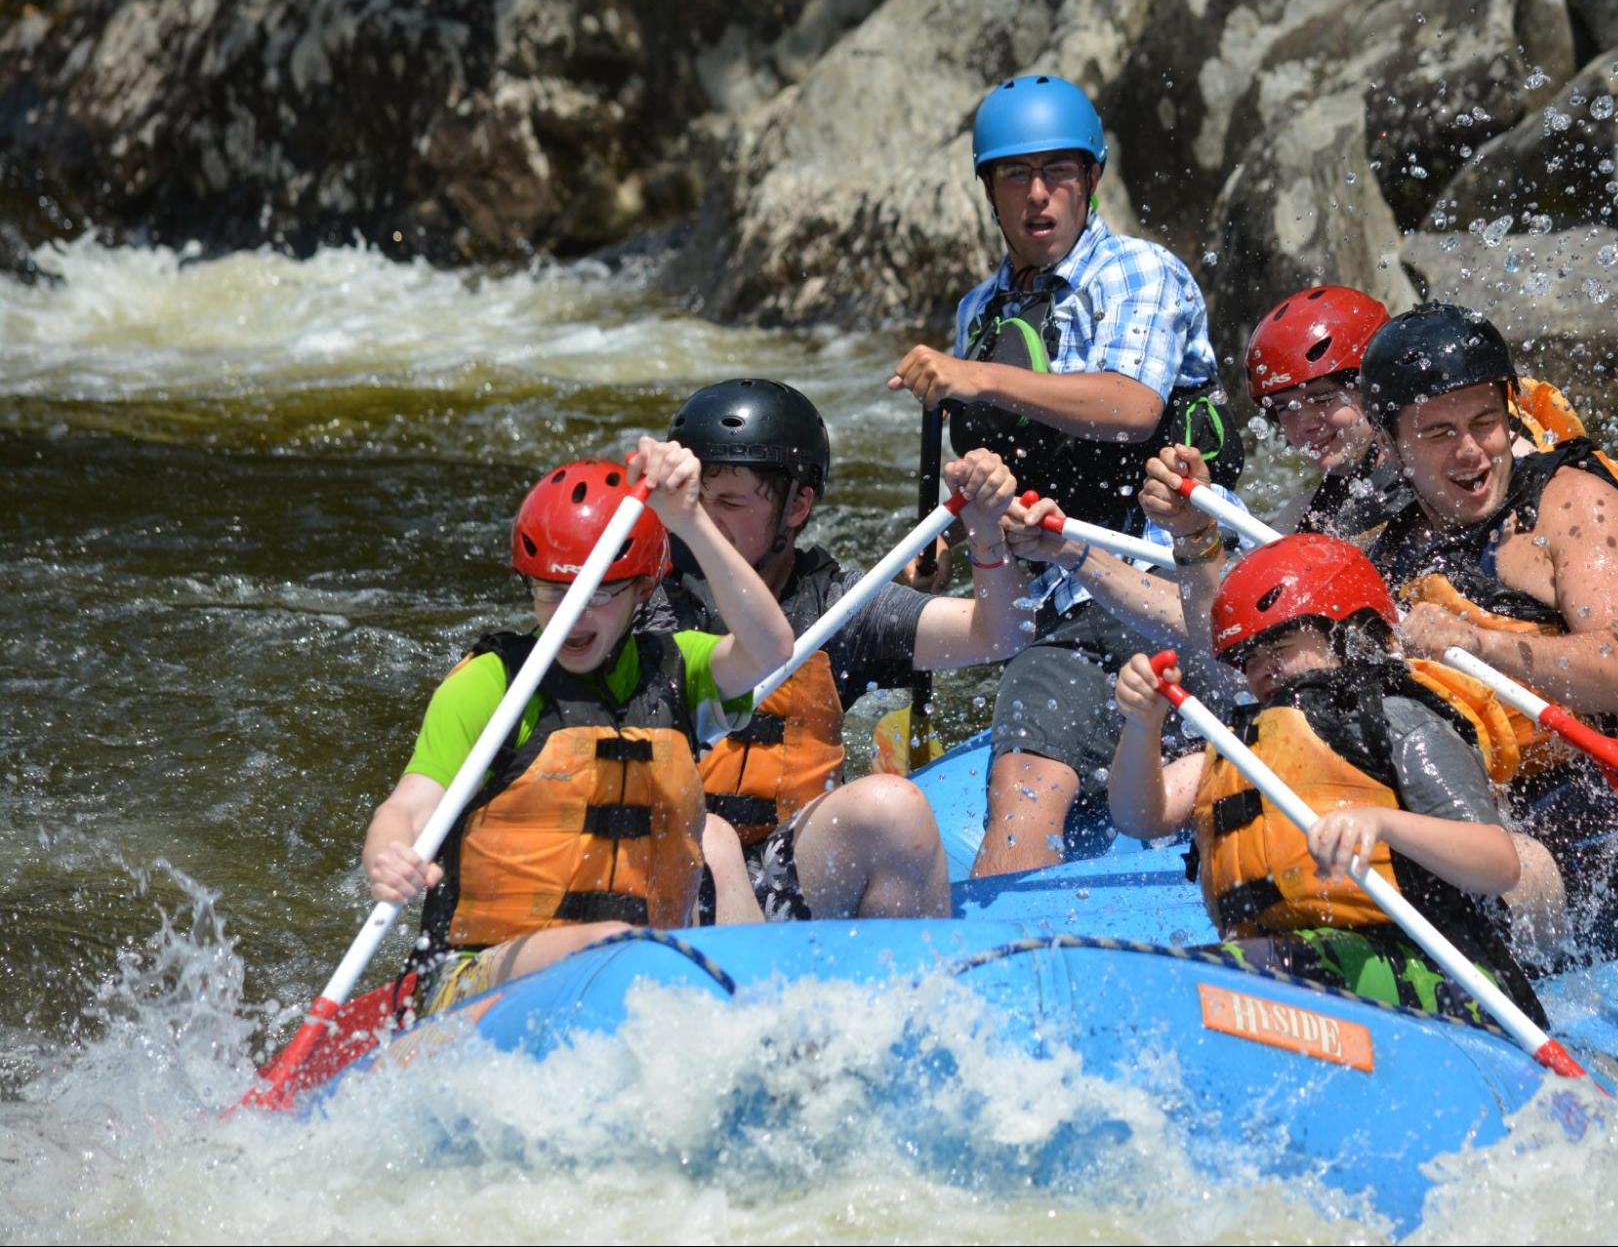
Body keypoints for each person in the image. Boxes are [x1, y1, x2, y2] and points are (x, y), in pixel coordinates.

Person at [888, 73, 1243, 877]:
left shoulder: (1137, 273)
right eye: (1015, 175)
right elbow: (1002, 458)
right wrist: (947, 536)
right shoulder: (981, 310)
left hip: (1166, 584)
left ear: (1091, 179)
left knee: (1025, 771)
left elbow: (1130, 406)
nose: (1038, 196)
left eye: (1058, 173)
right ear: (989, 189)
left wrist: (975, 378)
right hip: (1054, 597)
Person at [362, 447, 795, 1017]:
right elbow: (412, 803)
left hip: (641, 973)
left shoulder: (676, 669)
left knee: (636, 944)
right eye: (551, 590)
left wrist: (689, 520)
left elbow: (772, 649)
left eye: (597, 593)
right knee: (614, 951)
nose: (572, 614)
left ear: (642, 591)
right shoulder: (491, 683)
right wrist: (387, 851)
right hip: (478, 979)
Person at [1357, 301, 1618, 961]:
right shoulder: (1386, 543)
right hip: (1506, 812)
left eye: (1484, 422)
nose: (1471, 450)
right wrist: (1196, 544)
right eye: (1438, 432)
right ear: (1389, 446)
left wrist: (1474, 643)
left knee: (1447, 895)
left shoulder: (1572, 506)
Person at [1104, 533, 1553, 1023]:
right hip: (1298, 958)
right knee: (1241, 968)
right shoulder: (1242, 746)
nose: (1262, 668)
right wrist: (1142, 725)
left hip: (1442, 979)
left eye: (1280, 646)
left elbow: (1498, 863)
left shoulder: (1397, 719)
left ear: (1346, 633)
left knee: (1216, 979)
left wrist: (1382, 823)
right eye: (1249, 658)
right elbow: (1140, 816)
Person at [640, 378, 1033, 922]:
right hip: (668, 870)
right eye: (695, 501)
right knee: (714, 838)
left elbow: (1001, 634)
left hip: (788, 865)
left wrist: (987, 532)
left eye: (728, 501)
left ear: (798, 504)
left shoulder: (837, 606)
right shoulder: (643, 599)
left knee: (895, 807)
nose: (705, 518)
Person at [1245, 285, 1408, 540]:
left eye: (1322, 398)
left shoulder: (1435, 497)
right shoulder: (1300, 517)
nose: (1305, 424)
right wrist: (1195, 535)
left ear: (1376, 391)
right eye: (1285, 408)